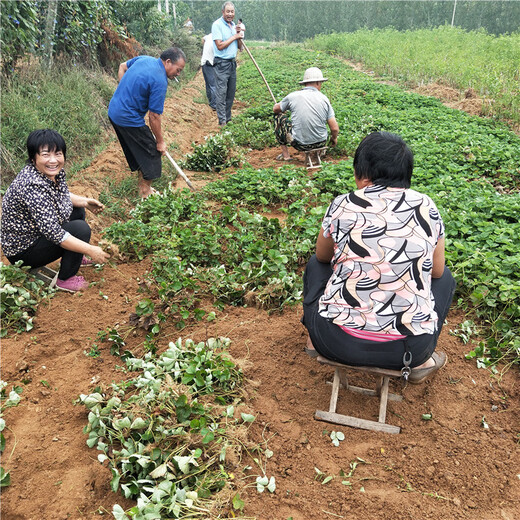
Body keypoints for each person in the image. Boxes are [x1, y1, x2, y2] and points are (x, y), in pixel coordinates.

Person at [301, 132, 456, 384]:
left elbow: (322, 255)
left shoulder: (343, 203)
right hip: (409, 351)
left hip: (334, 342)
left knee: (315, 264)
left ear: (362, 175)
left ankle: (312, 339)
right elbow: (436, 272)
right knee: (445, 277)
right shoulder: (427, 206)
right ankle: (424, 360)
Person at [1, 129, 110, 293]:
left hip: (36, 231)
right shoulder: (32, 185)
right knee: (80, 229)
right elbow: (54, 233)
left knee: (77, 211)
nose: (53, 160)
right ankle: (65, 279)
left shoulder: (51, 173)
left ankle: (75, 258)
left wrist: (84, 201)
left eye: (58, 154)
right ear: (33, 158)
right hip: (23, 251)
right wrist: (90, 249)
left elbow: (60, 195)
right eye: (45, 155)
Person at [108, 47, 186, 198]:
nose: (178, 74)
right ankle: (145, 192)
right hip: (127, 118)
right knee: (151, 152)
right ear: (168, 62)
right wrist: (160, 142)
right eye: (178, 70)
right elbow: (154, 116)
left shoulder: (145, 59)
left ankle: (144, 187)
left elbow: (122, 67)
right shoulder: (160, 81)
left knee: (140, 149)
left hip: (114, 110)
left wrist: (125, 91)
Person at [273, 67, 339, 164]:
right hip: (321, 143)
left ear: (305, 83)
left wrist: (279, 107)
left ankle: (286, 156)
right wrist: (334, 138)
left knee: (278, 117)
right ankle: (319, 151)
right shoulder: (324, 99)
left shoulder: (293, 96)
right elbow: (334, 129)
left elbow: (275, 109)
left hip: (300, 145)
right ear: (317, 83)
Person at [211, 2, 243, 126]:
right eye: (228, 11)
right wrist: (234, 36)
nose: (230, 14)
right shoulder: (217, 25)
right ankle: (222, 122)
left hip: (231, 63)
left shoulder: (233, 25)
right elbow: (219, 46)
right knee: (221, 93)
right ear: (223, 12)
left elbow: (240, 47)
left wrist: (239, 36)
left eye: (232, 12)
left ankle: (228, 119)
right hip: (221, 64)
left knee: (231, 93)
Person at [201, 34, 216, 110]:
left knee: (208, 84)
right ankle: (214, 104)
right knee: (213, 84)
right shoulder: (217, 37)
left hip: (204, 62)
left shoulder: (209, 36)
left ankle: (211, 102)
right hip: (210, 63)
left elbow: (202, 39)